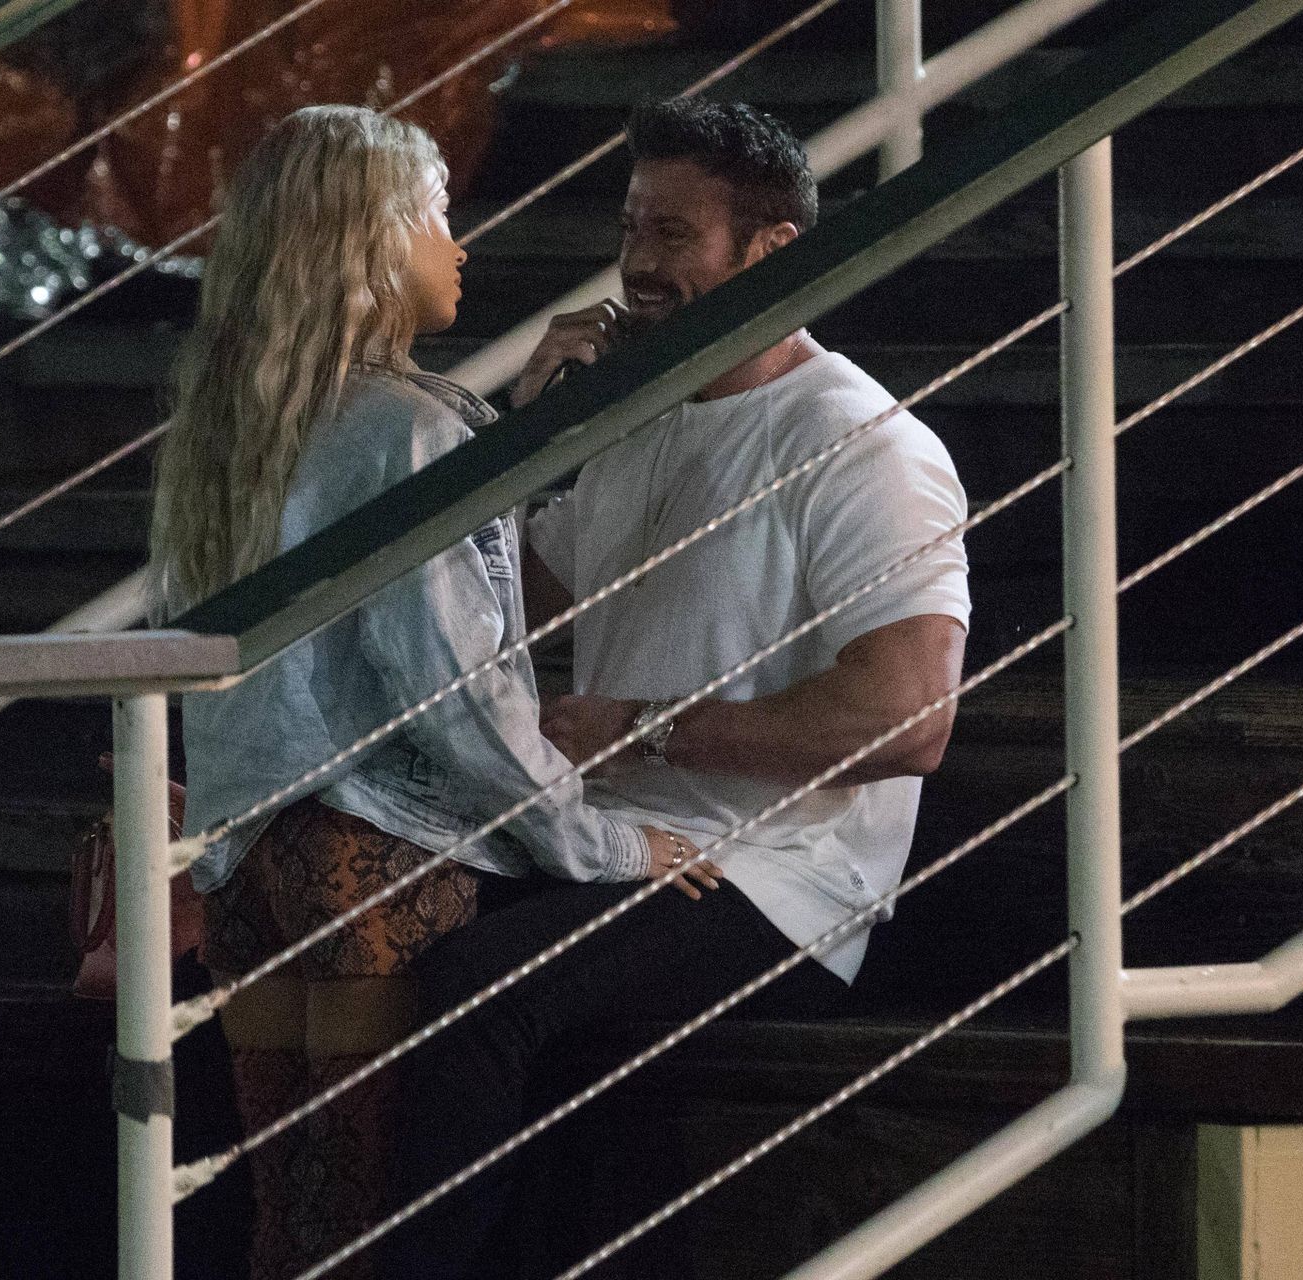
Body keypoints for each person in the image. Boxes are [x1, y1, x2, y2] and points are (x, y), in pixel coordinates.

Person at [379, 98, 972, 1278]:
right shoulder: (641, 416)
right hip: (610, 842)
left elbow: (910, 716)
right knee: (341, 937)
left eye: (673, 235)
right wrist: (527, 438)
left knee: (470, 993)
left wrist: (637, 728)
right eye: (632, 228)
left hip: (770, 876)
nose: (639, 266)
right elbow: (493, 610)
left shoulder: (863, 443)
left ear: (774, 251)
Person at [147, 104, 714, 1280]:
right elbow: (454, 697)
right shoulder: (406, 428)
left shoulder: (231, 431)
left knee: (290, 1222)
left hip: (251, 863)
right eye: (435, 220)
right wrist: (611, 842)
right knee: (378, 1223)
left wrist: (513, 441)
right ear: (368, 245)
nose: (459, 248)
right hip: (378, 859)